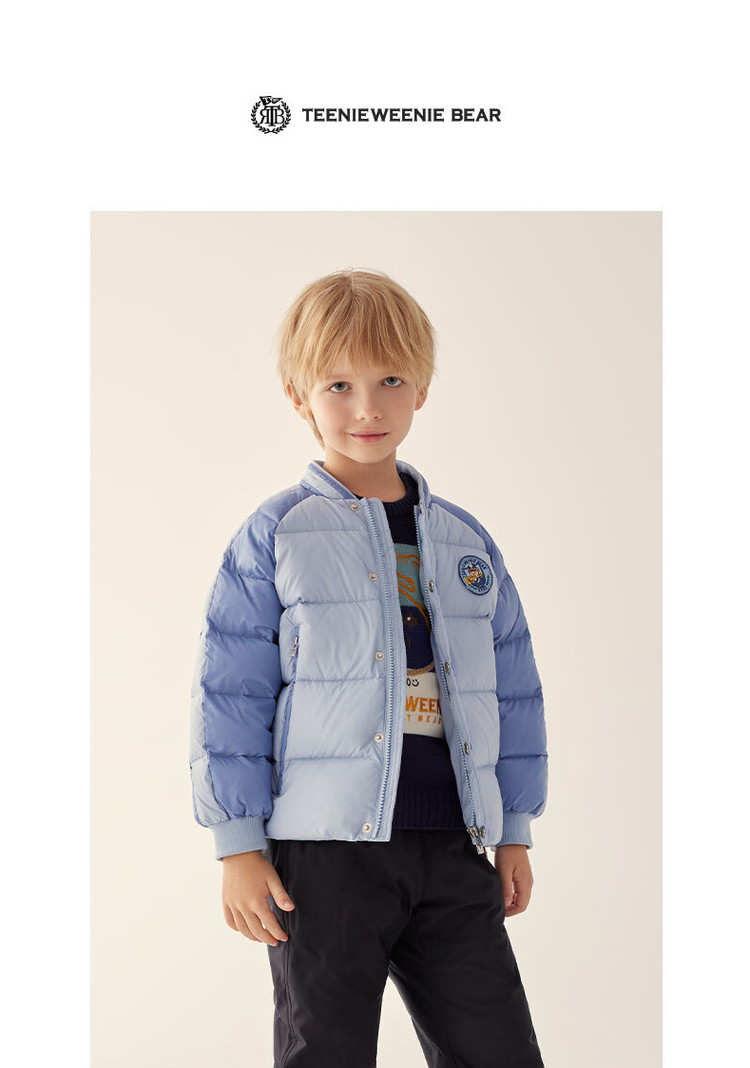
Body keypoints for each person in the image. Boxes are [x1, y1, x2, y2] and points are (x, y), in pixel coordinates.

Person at [189, 268, 549, 1067]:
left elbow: (513, 689)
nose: (367, 408)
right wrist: (237, 843)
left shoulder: (464, 542)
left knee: (498, 1049)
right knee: (326, 1051)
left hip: (454, 844)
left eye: (390, 381)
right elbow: (231, 692)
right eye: (339, 385)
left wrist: (514, 830)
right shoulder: (277, 535)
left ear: (422, 387)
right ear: (299, 396)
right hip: (323, 856)